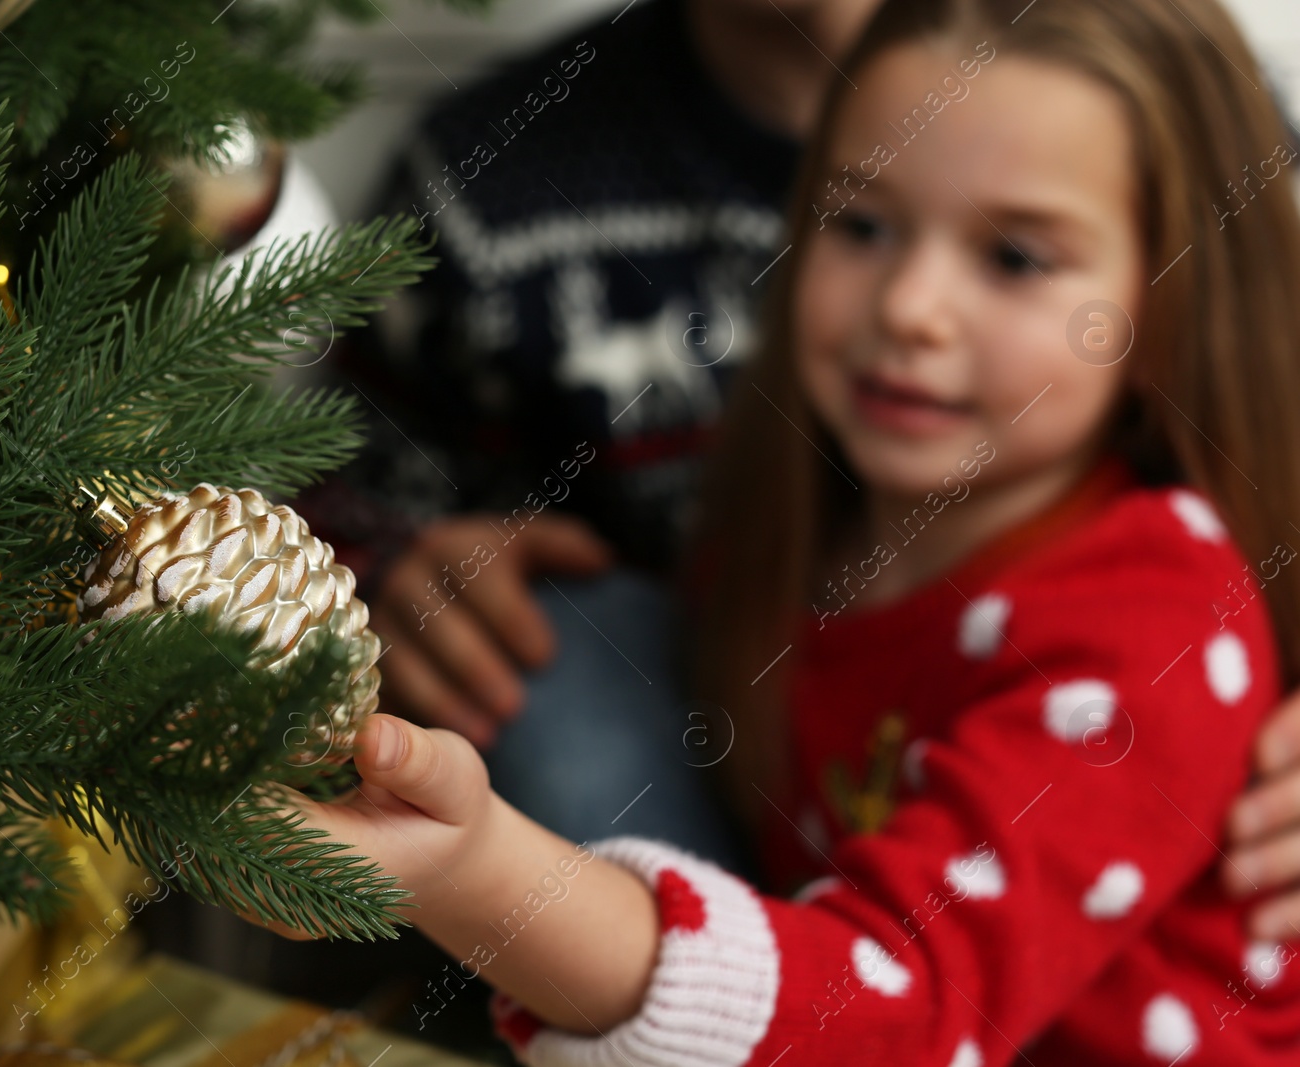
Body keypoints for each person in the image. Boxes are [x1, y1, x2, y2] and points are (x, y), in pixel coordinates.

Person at [267, 0, 1300, 1060]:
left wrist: (476, 870)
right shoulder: (791, 537)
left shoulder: (1154, 621)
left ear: (1170, 301)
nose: (911, 307)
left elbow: (903, 1011)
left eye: (1017, 259)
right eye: (860, 226)